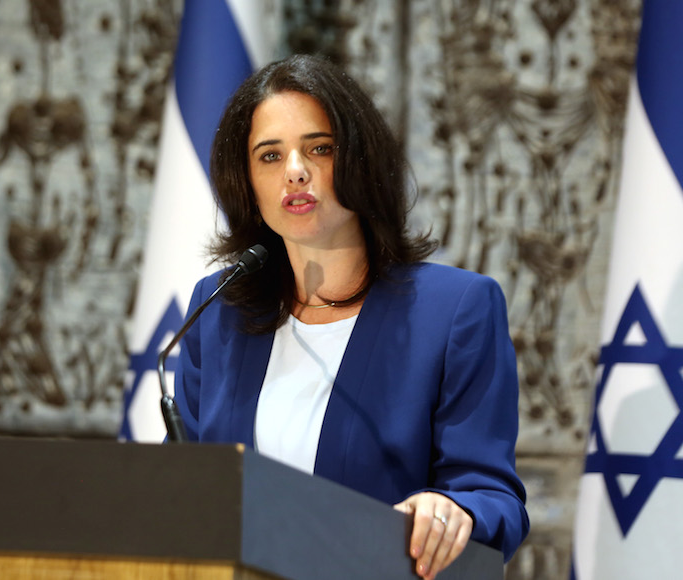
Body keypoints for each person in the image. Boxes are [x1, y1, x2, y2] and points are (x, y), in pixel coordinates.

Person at [174, 54, 528, 579]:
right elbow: (180, 489)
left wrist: (454, 511)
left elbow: (493, 496)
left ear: (359, 159)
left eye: (319, 148)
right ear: (247, 184)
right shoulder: (218, 309)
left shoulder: (454, 310)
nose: (295, 170)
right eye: (269, 156)